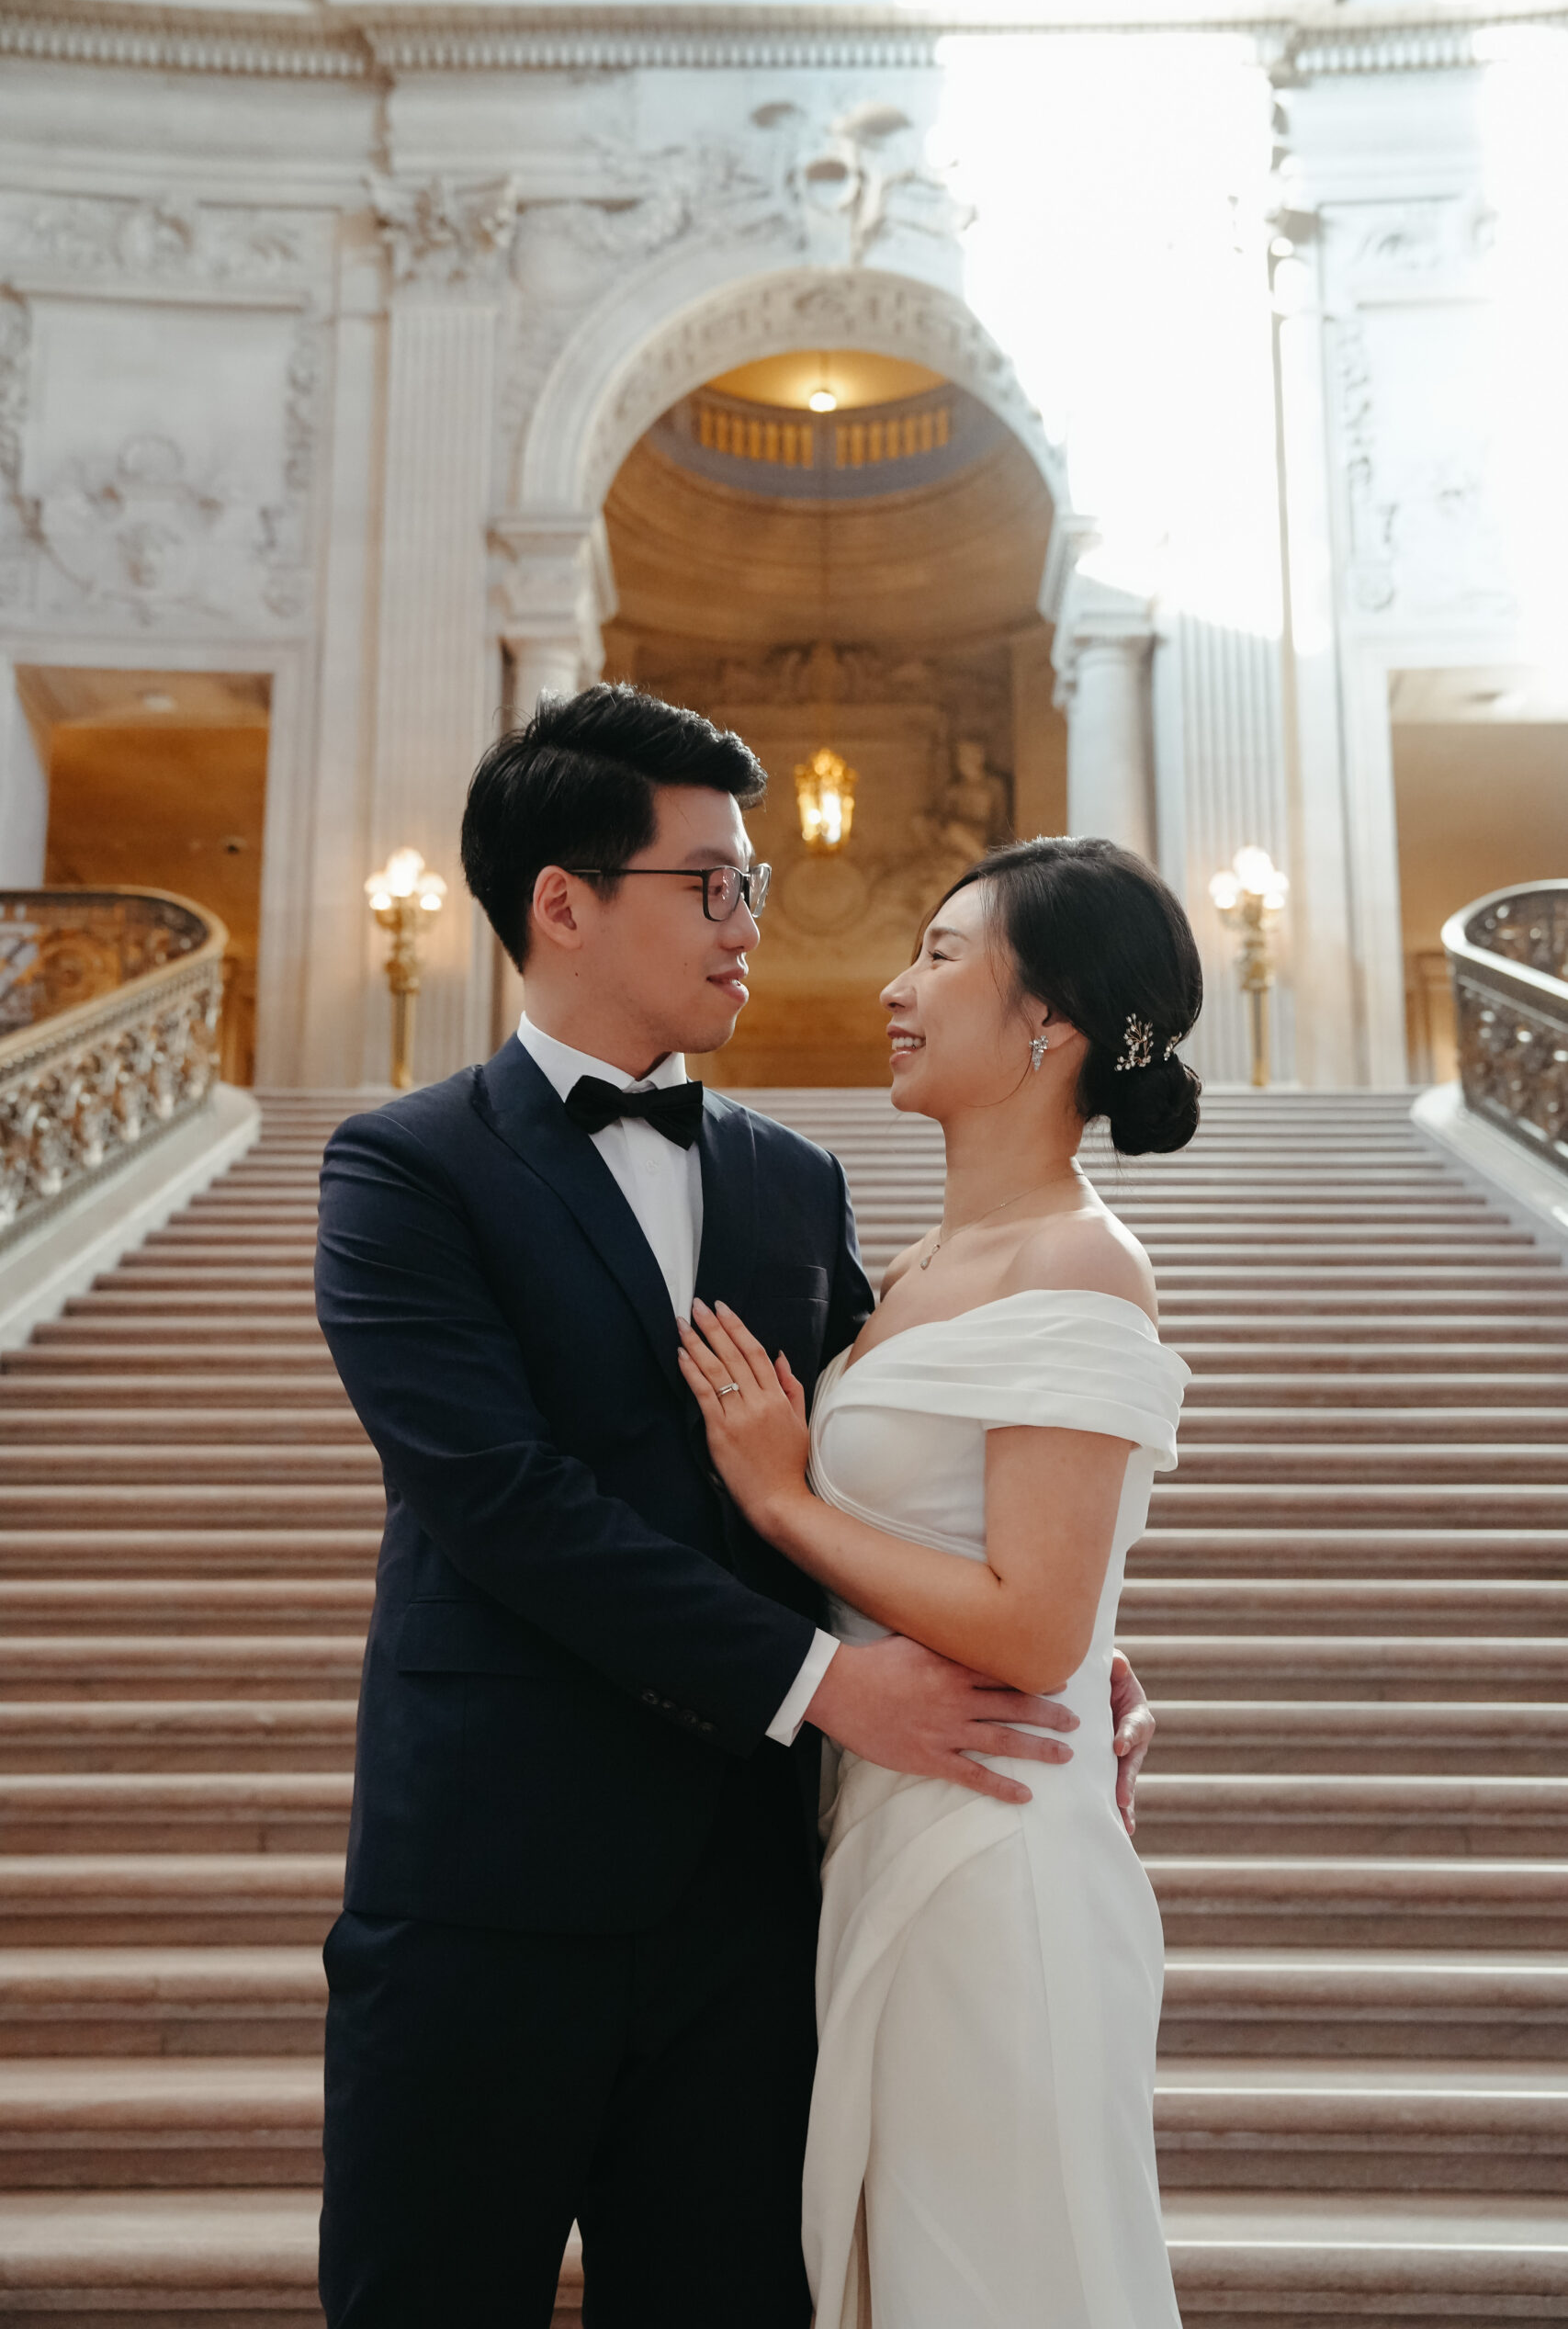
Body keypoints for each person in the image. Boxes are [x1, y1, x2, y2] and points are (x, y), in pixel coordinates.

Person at [312, 684, 1157, 2327]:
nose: (748, 919)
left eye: (752, 882)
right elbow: (504, 1502)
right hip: (492, 1889)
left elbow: (913, 1455)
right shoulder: (401, 1169)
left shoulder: (796, 1180)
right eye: (708, 884)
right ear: (562, 902)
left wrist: (1071, 1632)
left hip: (755, 1908)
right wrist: (835, 1681)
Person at [679, 835, 1201, 2329]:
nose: (895, 990)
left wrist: (779, 1496)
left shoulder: (1080, 1263)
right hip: (891, 1807)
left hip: (995, 1843)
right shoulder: (908, 1261)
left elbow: (1033, 1629)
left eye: (943, 954)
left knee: (993, 2270)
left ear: (1051, 1023)